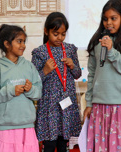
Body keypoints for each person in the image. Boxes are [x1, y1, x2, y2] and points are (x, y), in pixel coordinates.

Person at [0, 24, 42, 152]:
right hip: (5, 128)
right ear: (7, 44)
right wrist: (10, 91)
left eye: (24, 41)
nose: (23, 45)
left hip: (27, 127)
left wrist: (31, 89)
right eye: (19, 41)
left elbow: (38, 92)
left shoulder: (29, 66)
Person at [31, 12, 82, 152]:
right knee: (49, 143)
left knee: (63, 142)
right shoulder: (40, 52)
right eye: (55, 33)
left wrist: (73, 65)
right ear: (46, 31)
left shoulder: (70, 50)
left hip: (67, 102)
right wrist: (45, 71)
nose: (60, 37)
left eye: (63, 34)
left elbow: (78, 74)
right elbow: (33, 81)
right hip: (49, 104)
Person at [84, 0, 121, 151]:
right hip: (99, 107)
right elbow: (92, 74)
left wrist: (112, 52)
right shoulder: (97, 43)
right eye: (105, 19)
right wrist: (89, 103)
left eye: (113, 18)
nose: (109, 22)